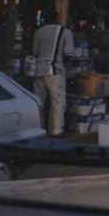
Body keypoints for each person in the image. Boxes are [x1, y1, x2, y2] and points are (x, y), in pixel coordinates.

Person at [31, 9, 75, 137]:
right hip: (55, 71)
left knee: (38, 102)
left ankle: (37, 129)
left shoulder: (38, 32)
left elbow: (35, 53)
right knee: (58, 102)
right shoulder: (65, 32)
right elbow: (69, 54)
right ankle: (56, 132)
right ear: (57, 17)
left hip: (39, 71)